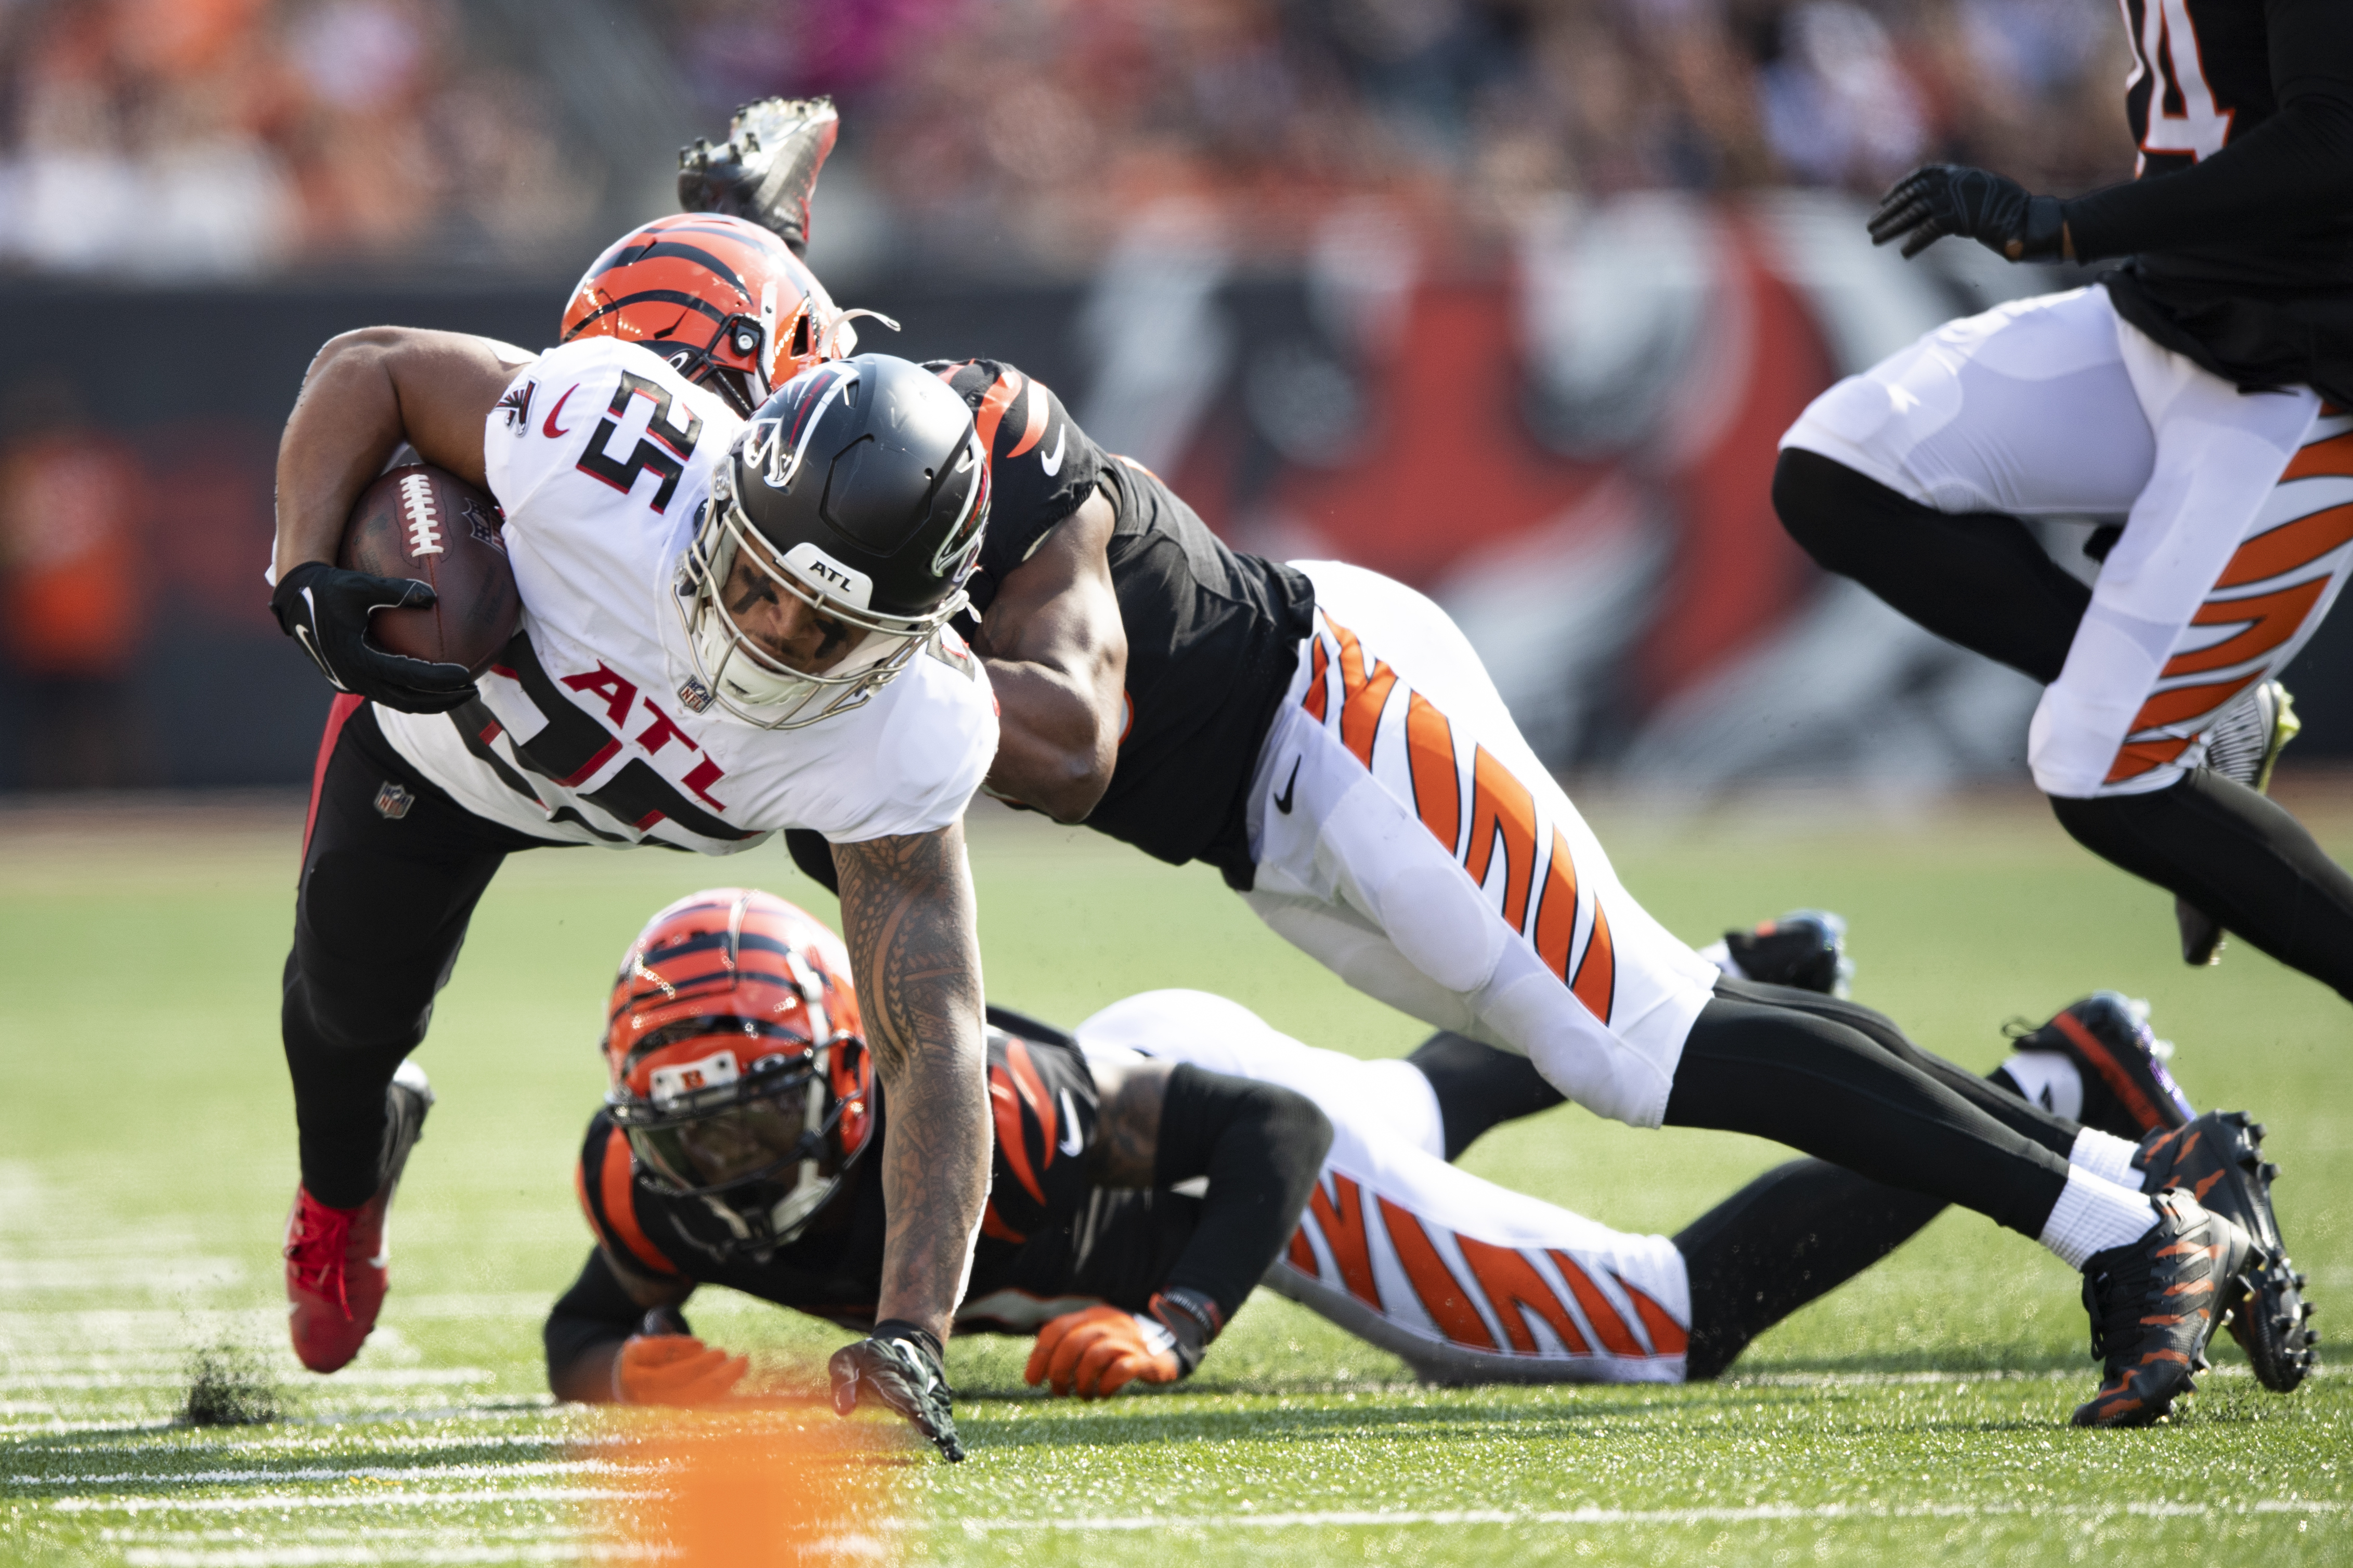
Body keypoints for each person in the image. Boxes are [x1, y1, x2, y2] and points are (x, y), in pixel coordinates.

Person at [669, 102, 2287, 1425]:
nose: (754, 588)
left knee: (1648, 1047)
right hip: (1264, 833)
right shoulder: (799, 478)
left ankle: (2125, 1225)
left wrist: (879, 665)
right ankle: (2118, 1168)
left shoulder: (986, 463)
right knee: (1648, 1032)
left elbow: (1079, 739)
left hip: (1339, 715)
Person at [544, 889, 2306, 1418]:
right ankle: (1747, 979)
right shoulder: (649, 1178)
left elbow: (1278, 1133)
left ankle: (2049, 1096)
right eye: (704, 1123)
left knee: (1654, 1318)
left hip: (1218, 1139)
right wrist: (661, 1379)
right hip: (1189, 1073)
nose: (740, 1156)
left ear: (863, 1064)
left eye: (769, 1104)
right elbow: (585, 1327)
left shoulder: (973, 1108)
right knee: (1410, 1103)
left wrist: (1178, 1316)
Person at [265, 213, 999, 1460]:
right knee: (343, 1008)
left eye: (824, 627)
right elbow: (370, 362)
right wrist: (300, 576)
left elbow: (932, 1037)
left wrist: (912, 1331)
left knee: (910, 946)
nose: (765, 629)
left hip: (703, 793)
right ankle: (347, 1177)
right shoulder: (613, 447)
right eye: (757, 576)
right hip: (460, 752)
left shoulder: (904, 720)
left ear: (901, 636)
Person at [1770, 2, 2353, 982]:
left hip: (2305, 380)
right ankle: (2211, 717)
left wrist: (2068, 224)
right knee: (1834, 467)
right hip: (2163, 319)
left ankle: (2180, 723)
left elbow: (2332, 139)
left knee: (2095, 768)